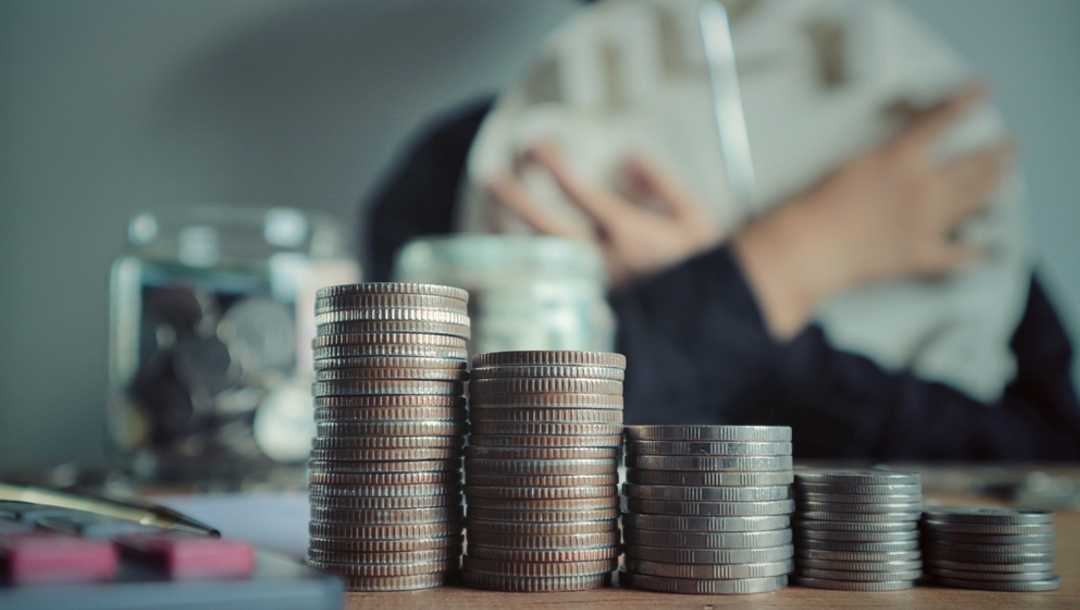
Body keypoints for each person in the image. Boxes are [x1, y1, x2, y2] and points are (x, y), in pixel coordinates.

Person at [362, 36, 1080, 461]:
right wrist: (778, 268)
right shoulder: (474, 170)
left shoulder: (922, 170)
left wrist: (755, 292)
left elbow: (1044, 456)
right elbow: (431, 456)